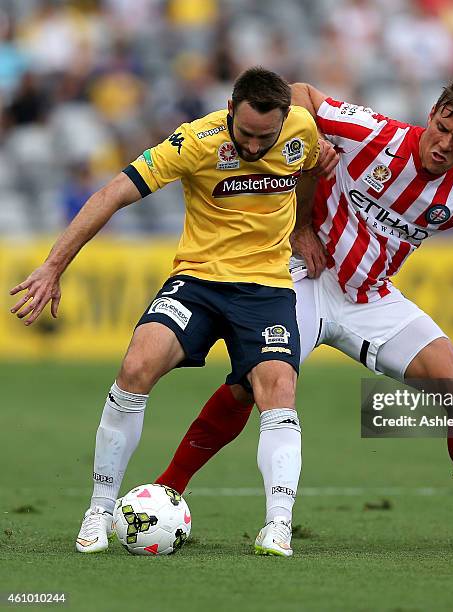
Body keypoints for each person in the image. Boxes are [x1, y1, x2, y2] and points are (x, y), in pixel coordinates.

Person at [154, 73, 453, 551]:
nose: (444, 145)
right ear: (431, 114)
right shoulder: (372, 133)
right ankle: (165, 493)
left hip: (371, 299)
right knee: (248, 386)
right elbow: (299, 93)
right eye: (442, 129)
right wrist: (310, 165)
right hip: (303, 280)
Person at [10, 66, 338, 558]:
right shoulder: (194, 141)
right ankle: (99, 509)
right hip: (199, 280)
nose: (254, 147)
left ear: (283, 122)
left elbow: (313, 167)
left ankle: (278, 526)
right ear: (229, 111)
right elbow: (112, 194)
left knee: (279, 389)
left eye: (265, 137)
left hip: (267, 288)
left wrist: (305, 226)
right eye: (246, 134)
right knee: (135, 366)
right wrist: (54, 265)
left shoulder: (301, 130)